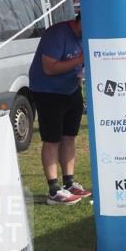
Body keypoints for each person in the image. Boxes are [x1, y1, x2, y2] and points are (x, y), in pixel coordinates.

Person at [28, 14, 91, 205]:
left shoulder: (84, 36)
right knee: (52, 140)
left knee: (69, 137)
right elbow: (49, 68)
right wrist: (80, 59)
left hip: (71, 90)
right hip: (47, 92)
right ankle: (54, 190)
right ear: (80, 21)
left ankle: (69, 182)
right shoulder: (57, 33)